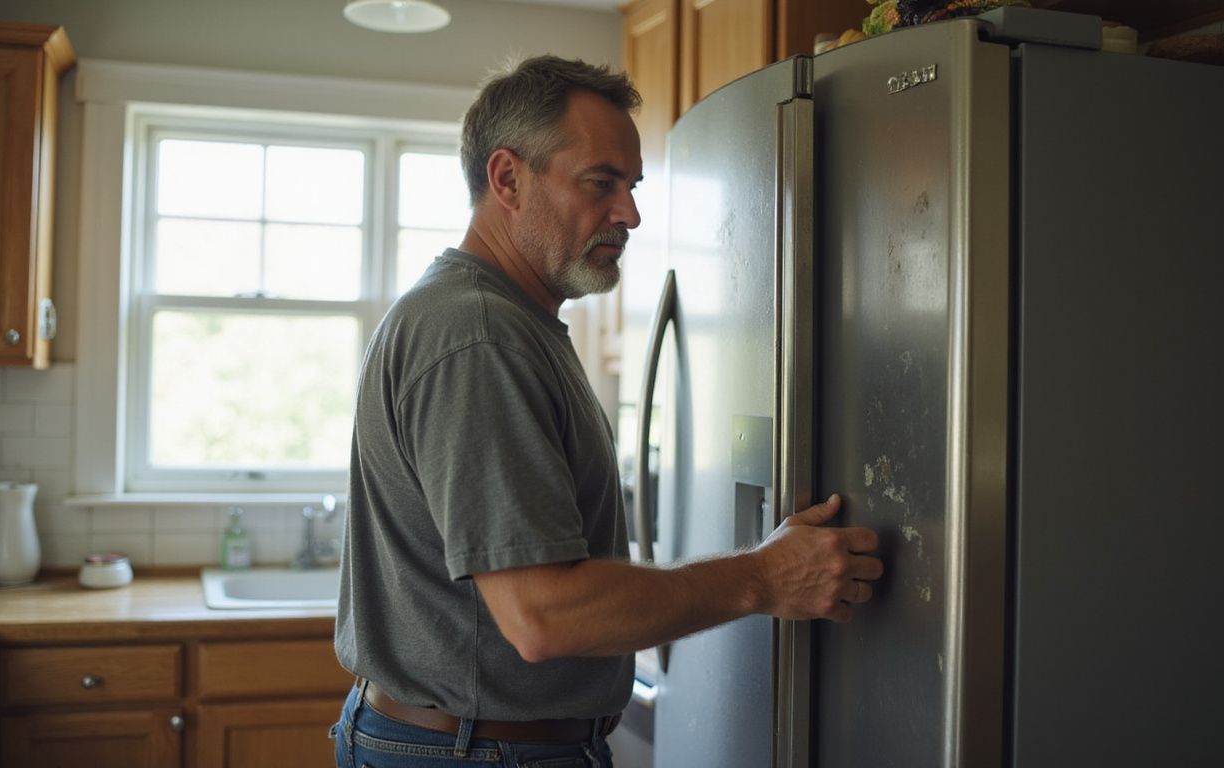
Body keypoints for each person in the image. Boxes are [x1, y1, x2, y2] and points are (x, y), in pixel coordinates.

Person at [332, 55, 883, 768]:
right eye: (601, 183)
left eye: (631, 185)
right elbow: (543, 615)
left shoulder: (505, 321)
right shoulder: (478, 334)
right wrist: (764, 576)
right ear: (508, 178)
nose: (629, 212)